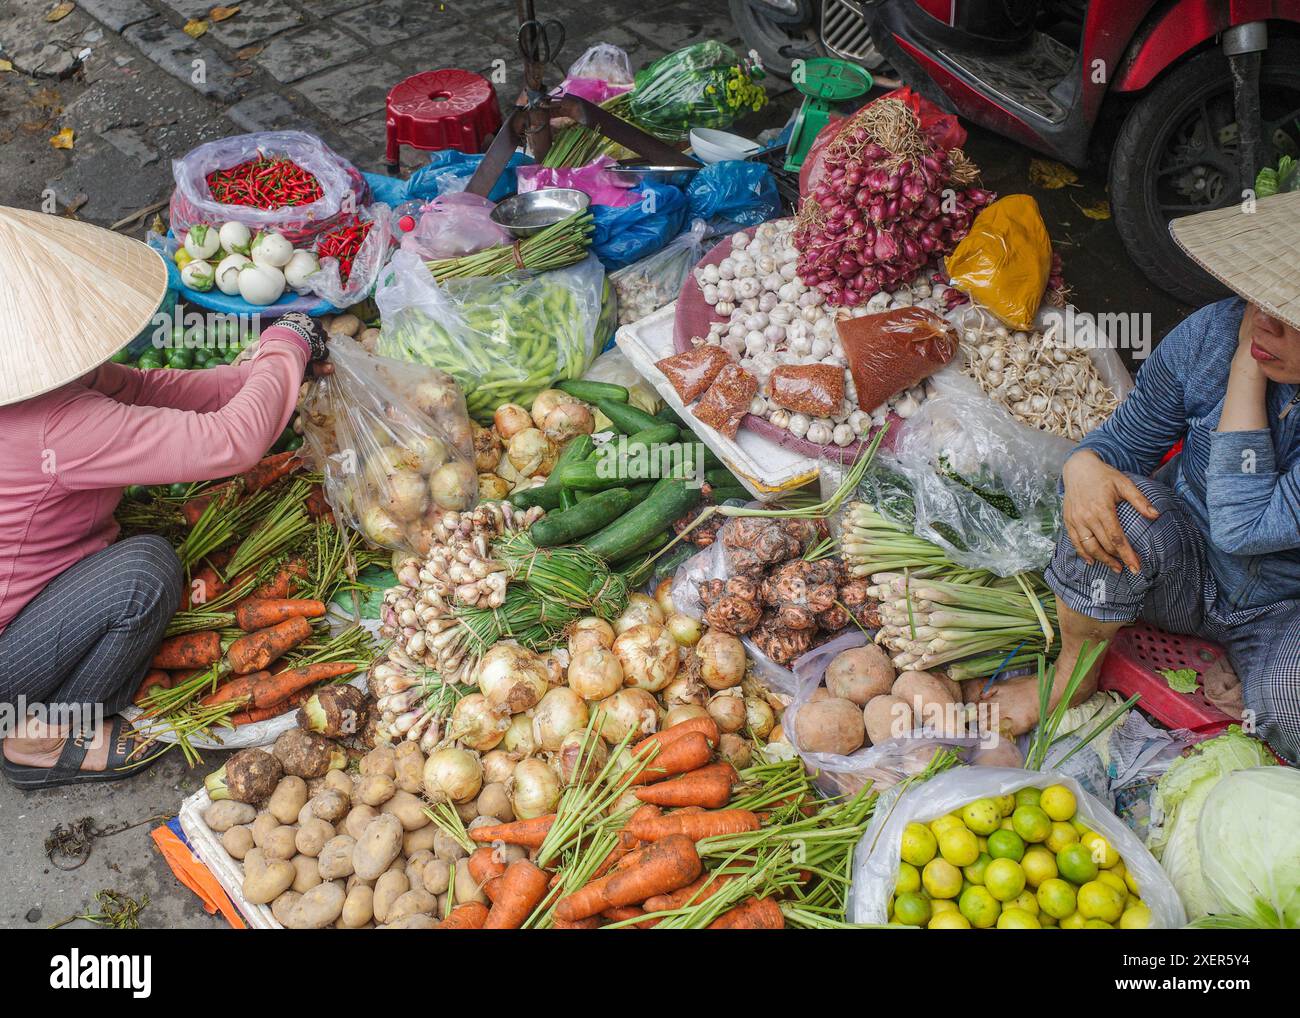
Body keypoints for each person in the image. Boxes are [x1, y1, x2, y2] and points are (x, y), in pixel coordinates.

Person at [0, 206, 328, 788]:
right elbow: (233, 442)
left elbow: (151, 390)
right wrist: (286, 344)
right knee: (145, 573)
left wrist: (252, 374)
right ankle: (41, 737)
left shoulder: (36, 387)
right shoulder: (56, 424)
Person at [981, 192, 1300, 765]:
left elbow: (1242, 525)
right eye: (1259, 297)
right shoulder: (1215, 333)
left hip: (1286, 608)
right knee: (1115, 507)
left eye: (1289, 312)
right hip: (1184, 565)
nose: (1264, 320)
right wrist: (1081, 468)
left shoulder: (1246, 348)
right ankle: (1071, 679)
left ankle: (1252, 678)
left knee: (1291, 705)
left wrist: (1246, 373)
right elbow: (1121, 443)